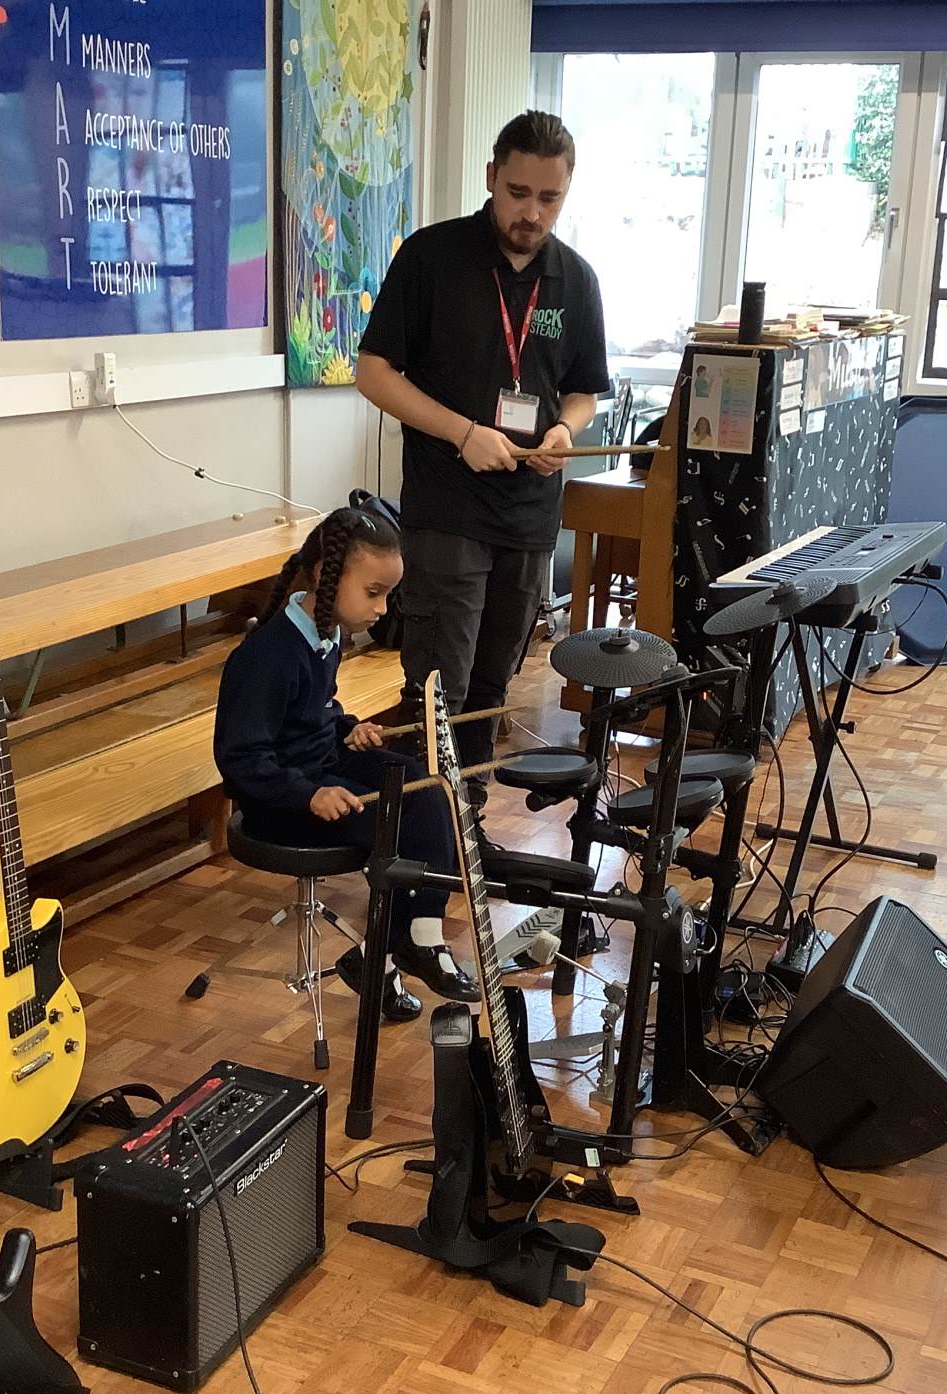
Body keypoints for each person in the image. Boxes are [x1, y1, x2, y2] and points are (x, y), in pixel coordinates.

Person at [357, 110, 609, 786]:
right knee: (441, 690)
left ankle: (463, 826)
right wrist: (462, 432)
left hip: (529, 517)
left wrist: (565, 430)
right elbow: (373, 373)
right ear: (492, 176)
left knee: (492, 690)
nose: (532, 213)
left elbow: (583, 391)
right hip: (448, 509)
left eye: (549, 198)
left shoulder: (576, 280)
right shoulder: (432, 257)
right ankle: (426, 834)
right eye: (518, 193)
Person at [213, 508, 480, 1018]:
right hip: (277, 799)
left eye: (388, 595)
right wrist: (307, 794)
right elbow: (240, 758)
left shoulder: (326, 635)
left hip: (320, 766)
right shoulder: (266, 656)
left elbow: (314, 712)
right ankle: (383, 958)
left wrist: (346, 726)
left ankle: (414, 939)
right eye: (374, 592)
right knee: (391, 824)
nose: (382, 608)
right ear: (325, 575)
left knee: (426, 789)